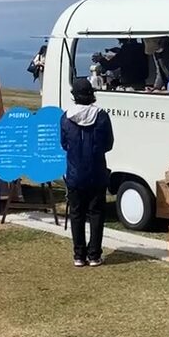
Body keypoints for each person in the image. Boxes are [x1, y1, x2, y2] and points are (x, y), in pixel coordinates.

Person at [60, 78, 114, 267]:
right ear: (91, 94)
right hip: (97, 172)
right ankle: (94, 255)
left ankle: (79, 255)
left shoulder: (66, 117)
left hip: (75, 174)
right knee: (96, 213)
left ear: (74, 96)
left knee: (76, 214)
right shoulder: (102, 116)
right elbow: (109, 144)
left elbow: (64, 144)